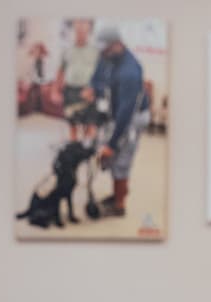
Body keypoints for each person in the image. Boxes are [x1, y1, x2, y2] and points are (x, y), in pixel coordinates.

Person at [81, 25, 147, 218]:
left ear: (118, 45)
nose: (103, 54)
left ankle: (119, 206)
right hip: (114, 110)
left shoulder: (130, 72)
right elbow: (98, 74)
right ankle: (117, 192)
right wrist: (92, 88)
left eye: (106, 50)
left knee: (120, 160)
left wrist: (112, 143)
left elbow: (125, 114)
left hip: (132, 117)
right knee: (110, 158)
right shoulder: (108, 56)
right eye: (101, 50)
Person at [60, 18, 100, 142]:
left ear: (88, 32)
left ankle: (85, 150)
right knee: (72, 123)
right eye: (78, 30)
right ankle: (74, 148)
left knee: (89, 123)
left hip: (88, 91)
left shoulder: (96, 50)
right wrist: (56, 89)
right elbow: (61, 69)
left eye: (83, 31)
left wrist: (94, 90)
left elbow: (101, 73)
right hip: (70, 90)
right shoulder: (66, 49)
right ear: (74, 31)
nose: (80, 33)